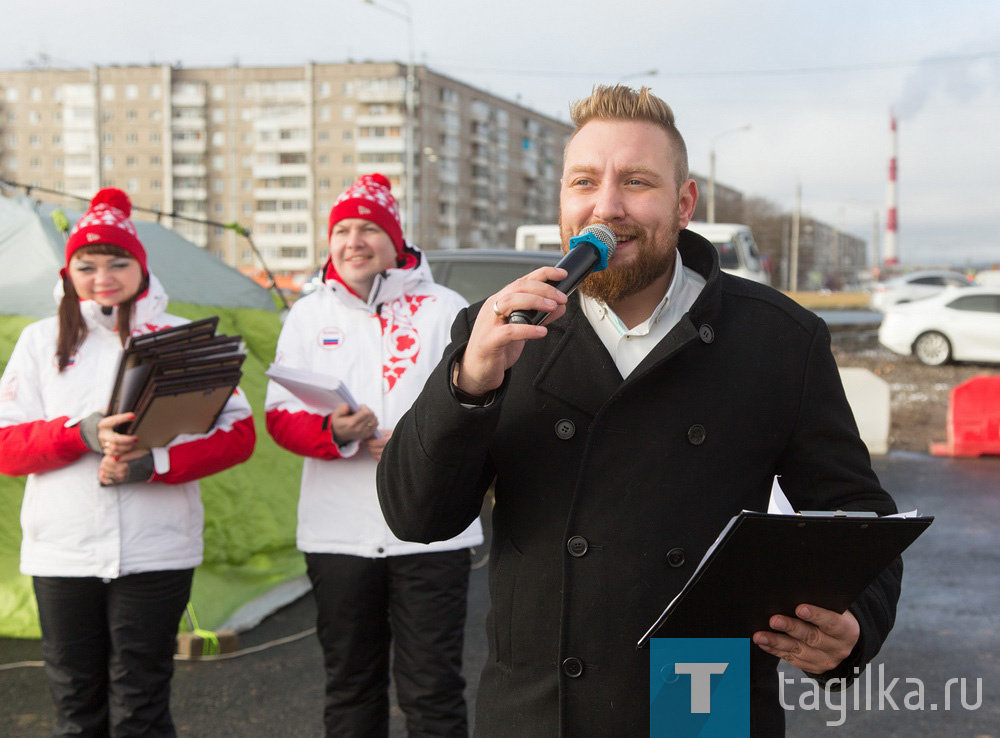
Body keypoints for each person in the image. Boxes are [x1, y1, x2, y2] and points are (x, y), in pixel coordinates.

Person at [377, 86, 902, 737]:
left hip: (702, 693)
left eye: (636, 182)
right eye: (584, 182)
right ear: (563, 202)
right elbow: (415, 515)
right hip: (542, 708)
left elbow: (856, 518)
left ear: (684, 205)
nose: (606, 207)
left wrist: (854, 625)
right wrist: (469, 383)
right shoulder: (499, 331)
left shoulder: (777, 339)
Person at [0, 188, 256, 737]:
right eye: (86, 265)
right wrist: (80, 433)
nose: (103, 277)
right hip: (62, 553)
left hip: (157, 549)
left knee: (143, 699)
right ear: (68, 272)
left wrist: (152, 463)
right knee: (75, 702)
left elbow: (238, 435)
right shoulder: (40, 340)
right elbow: (7, 446)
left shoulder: (180, 337)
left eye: (118, 262)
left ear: (141, 267)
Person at [265, 173, 482, 737]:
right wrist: (334, 431)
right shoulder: (309, 315)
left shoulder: (443, 307)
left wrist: (418, 442)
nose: (353, 240)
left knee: (432, 689)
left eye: (368, 228)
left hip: (432, 530)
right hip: (337, 533)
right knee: (350, 686)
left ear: (395, 238)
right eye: (342, 229)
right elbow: (279, 417)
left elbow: (483, 406)